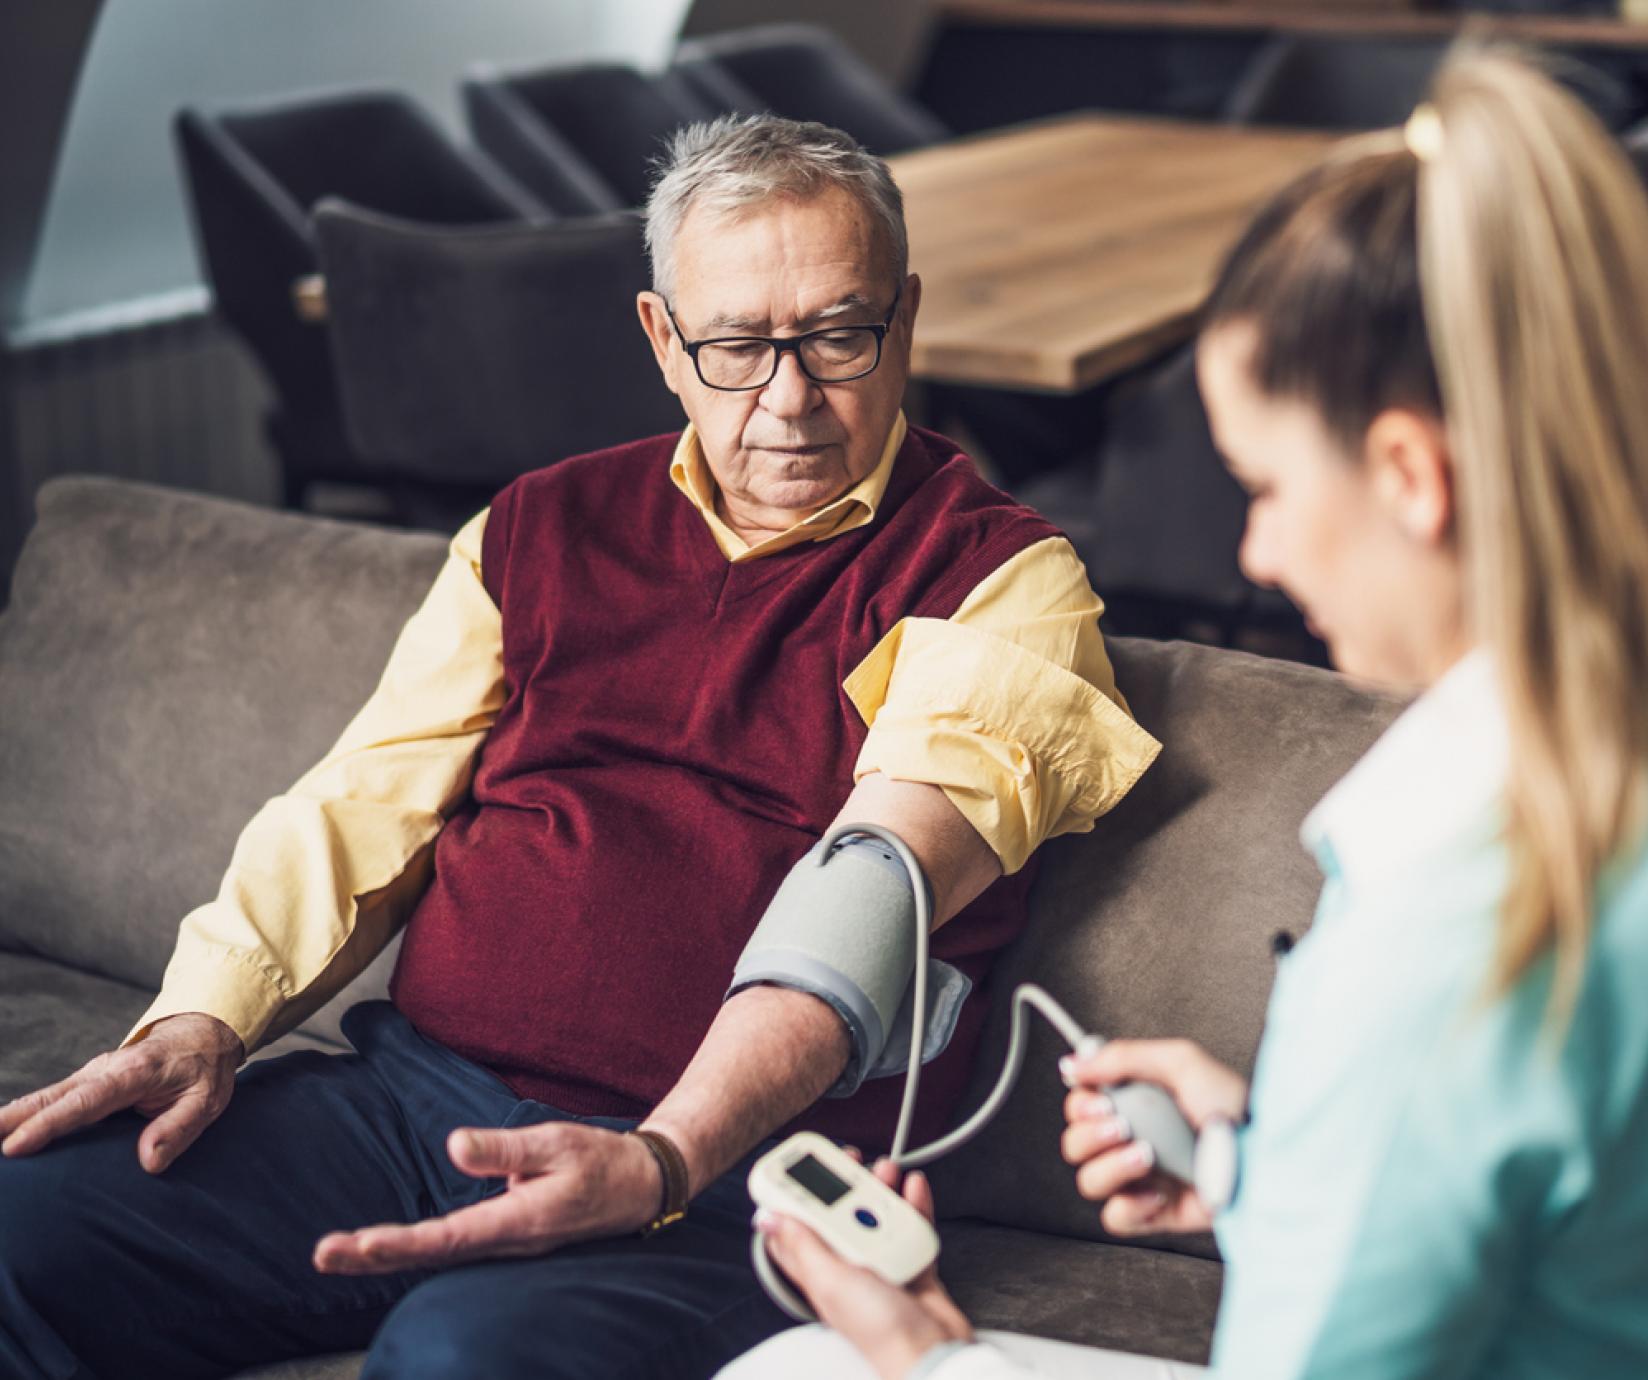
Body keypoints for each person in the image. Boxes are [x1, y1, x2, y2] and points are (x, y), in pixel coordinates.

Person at [0, 116, 1160, 1379]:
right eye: (733, 345)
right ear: (664, 340)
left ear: (904, 319)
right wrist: (200, 1021)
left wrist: (665, 1156)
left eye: (837, 334)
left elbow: (873, 889)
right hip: (413, 1108)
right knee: (23, 1230)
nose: (788, 397)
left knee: (461, 1362)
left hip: (732, 1179)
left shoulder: (1001, 579)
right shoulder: (534, 527)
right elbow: (360, 807)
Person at [725, 49, 1648, 1380]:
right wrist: (1273, 1166)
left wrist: (931, 1353)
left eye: (1267, 486)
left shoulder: (1437, 931)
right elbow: (1541, 1205)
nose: (1255, 554)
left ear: (1412, 477)